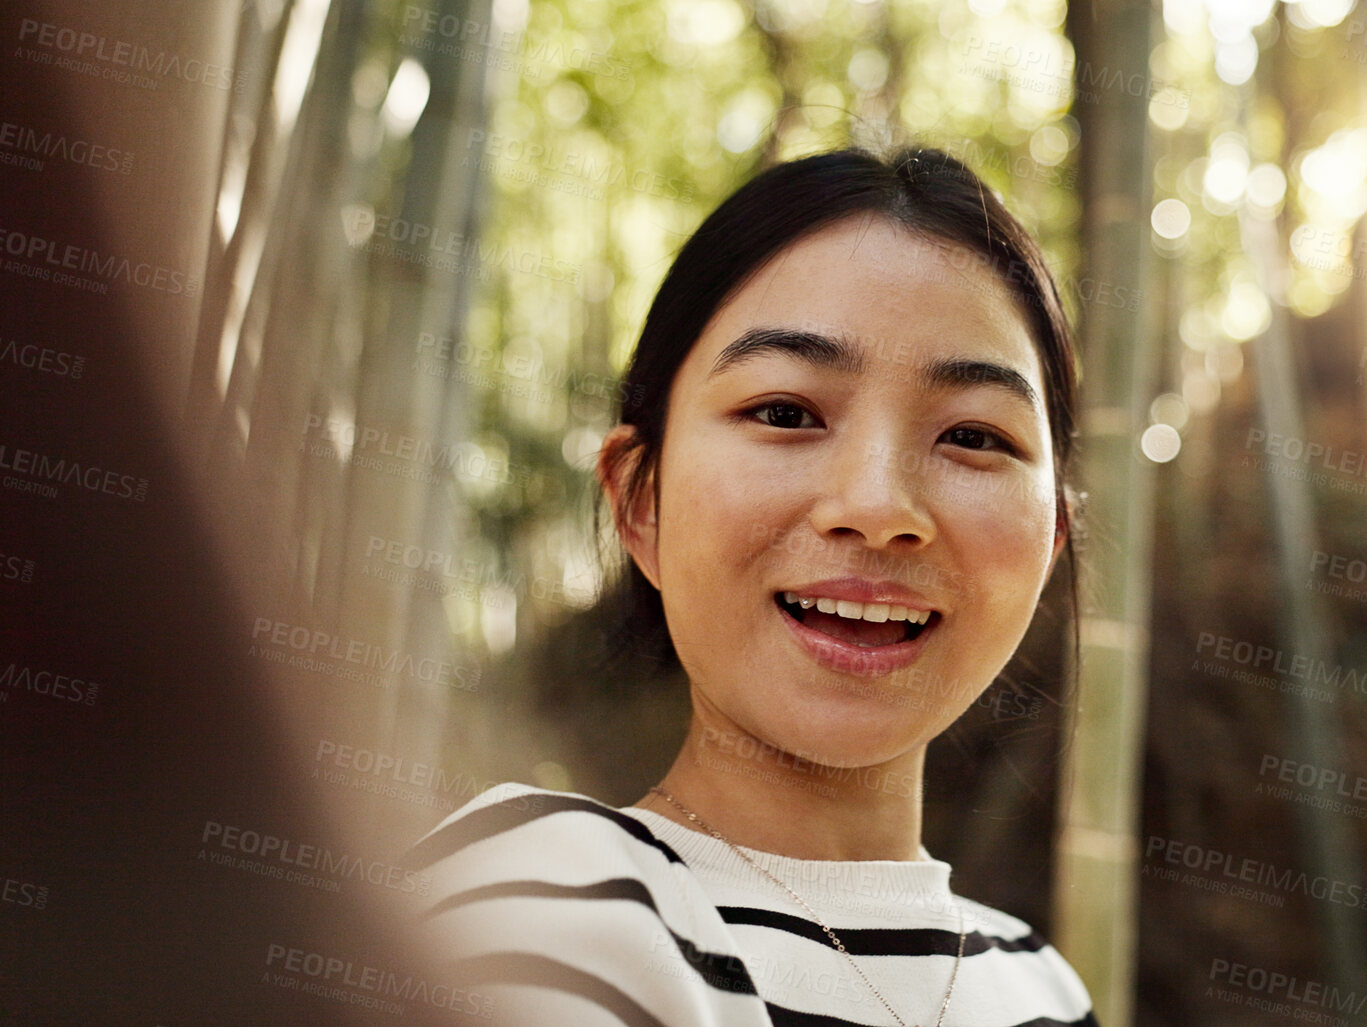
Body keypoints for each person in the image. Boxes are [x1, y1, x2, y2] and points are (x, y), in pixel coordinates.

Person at [401, 146, 1098, 1027]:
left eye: (972, 435)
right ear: (640, 501)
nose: (878, 507)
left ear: (1050, 539)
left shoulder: (1044, 991)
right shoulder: (549, 899)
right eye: (784, 413)